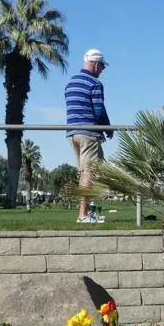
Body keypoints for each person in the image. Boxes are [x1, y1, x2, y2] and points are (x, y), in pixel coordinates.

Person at [65, 48, 113, 223]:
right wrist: (108, 128)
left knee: (88, 172)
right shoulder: (95, 83)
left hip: (72, 133)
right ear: (96, 64)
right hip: (88, 134)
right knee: (89, 174)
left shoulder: (71, 82)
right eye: (102, 66)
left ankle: (90, 211)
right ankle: (82, 215)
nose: (102, 70)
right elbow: (99, 111)